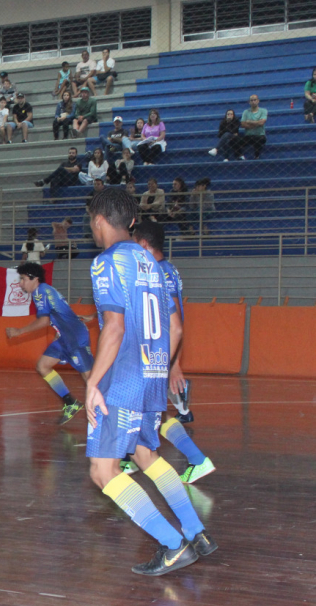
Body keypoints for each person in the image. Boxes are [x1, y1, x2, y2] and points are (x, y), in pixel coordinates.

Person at [84, 187, 216, 576]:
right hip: (153, 374)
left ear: (99, 221)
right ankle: (197, 532)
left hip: (124, 377)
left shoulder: (106, 262)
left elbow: (114, 326)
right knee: (145, 455)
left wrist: (94, 382)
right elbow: (175, 326)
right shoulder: (153, 263)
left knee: (103, 471)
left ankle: (173, 544)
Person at [129, 220, 216, 482]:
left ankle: (196, 459)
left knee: (138, 407)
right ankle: (133, 457)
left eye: (134, 244)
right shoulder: (166, 269)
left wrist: (173, 365)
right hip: (155, 353)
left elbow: (174, 323)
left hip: (157, 355)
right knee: (153, 411)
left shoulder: (159, 272)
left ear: (143, 244)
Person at [6, 262, 94, 424]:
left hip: (75, 337)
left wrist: (19, 331)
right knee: (42, 366)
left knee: (90, 380)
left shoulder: (40, 292)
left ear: (35, 279)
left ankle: (106, 415)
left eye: (23, 279)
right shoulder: (43, 291)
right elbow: (58, 315)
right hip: (64, 336)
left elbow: (44, 321)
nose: (21, 283)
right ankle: (70, 402)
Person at [237, 94, 267, 159]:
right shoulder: (246, 112)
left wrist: (249, 122)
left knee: (258, 139)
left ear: (258, 101)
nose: (253, 101)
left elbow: (262, 123)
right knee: (232, 140)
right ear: (249, 102)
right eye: (251, 100)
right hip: (248, 136)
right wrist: (257, 123)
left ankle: (256, 156)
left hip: (260, 135)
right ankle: (240, 156)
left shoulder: (263, 111)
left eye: (255, 100)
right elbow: (242, 124)